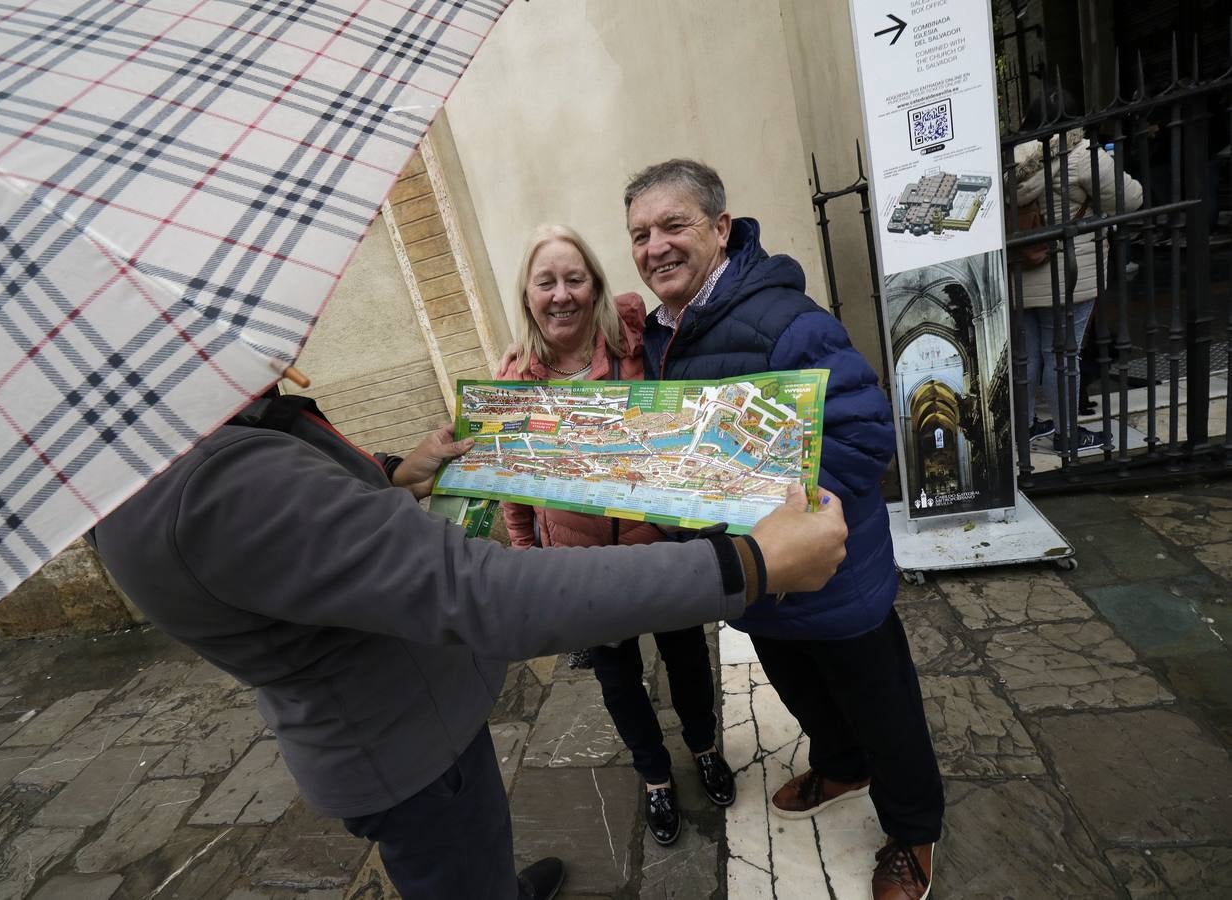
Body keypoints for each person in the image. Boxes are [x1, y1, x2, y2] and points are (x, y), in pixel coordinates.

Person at [87, 384, 850, 900]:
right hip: (406, 752)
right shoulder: (214, 479)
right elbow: (483, 592)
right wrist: (747, 565)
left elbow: (302, 536)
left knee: (474, 861)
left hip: (409, 721)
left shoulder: (153, 459)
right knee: (455, 868)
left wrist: (390, 473)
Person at [624, 158, 943, 900]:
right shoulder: (662, 336)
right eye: (639, 234)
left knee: (883, 710)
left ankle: (913, 830)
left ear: (720, 228)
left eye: (673, 225)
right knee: (802, 687)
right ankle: (841, 767)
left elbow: (863, 434)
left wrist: (771, 517)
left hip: (832, 579)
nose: (655, 246)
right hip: (757, 580)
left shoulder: (786, 322)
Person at [498, 224, 734, 847]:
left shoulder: (631, 346)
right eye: (546, 282)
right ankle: (655, 774)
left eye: (575, 279)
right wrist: (527, 562)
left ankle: (704, 746)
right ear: (527, 295)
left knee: (687, 658)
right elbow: (512, 487)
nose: (562, 294)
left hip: (656, 549)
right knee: (618, 681)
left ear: (595, 286)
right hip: (578, 568)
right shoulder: (515, 383)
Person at [1014, 89, 1144, 451]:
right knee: (1062, 355)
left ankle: (1025, 427)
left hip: (1021, 273)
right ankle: (1067, 435)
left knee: (1027, 356)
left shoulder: (1012, 159)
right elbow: (1132, 197)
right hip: (1069, 274)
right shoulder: (1082, 155)